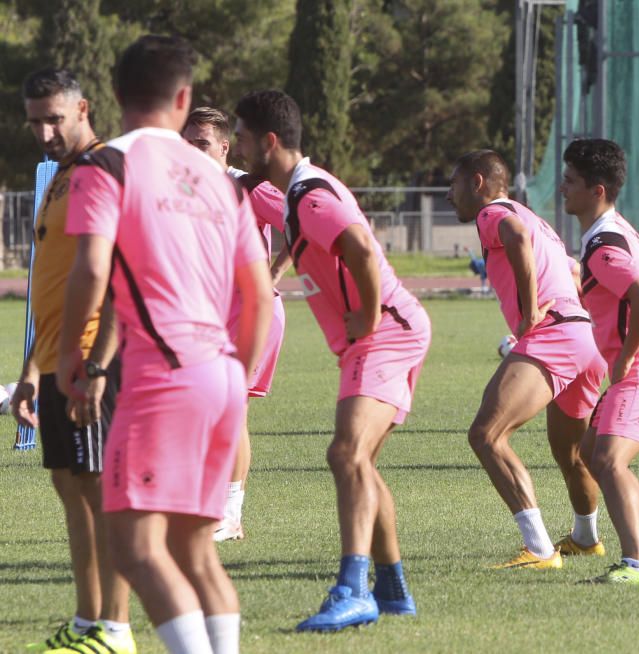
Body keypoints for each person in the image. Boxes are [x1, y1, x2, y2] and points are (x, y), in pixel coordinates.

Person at [57, 35, 273, 653]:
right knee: (193, 550)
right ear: (183, 99)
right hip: (223, 373)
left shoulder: (107, 165)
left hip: (161, 376)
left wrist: (73, 356)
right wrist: (236, 373)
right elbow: (257, 296)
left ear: (116, 97)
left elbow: (91, 270)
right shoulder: (220, 182)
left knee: (135, 547)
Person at [233, 89, 432, 632]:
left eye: (244, 137)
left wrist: (367, 320)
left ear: (269, 141)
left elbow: (363, 250)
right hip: (385, 335)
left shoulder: (311, 195)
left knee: (345, 454)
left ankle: (352, 589)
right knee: (360, 463)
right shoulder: (297, 193)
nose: (238, 146)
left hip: (384, 334)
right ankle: (391, 591)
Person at [15, 68, 135, 654]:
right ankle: (88, 622)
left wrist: (97, 365)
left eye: (53, 118)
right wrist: (32, 371)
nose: (43, 131)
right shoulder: (62, 176)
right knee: (70, 487)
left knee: (99, 491)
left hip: (92, 362)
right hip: (57, 363)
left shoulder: (104, 168)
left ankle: (116, 628)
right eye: (34, 119)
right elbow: (52, 280)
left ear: (83, 109)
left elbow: (118, 272)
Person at [448, 149, 607, 570]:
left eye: (454, 184)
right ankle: (586, 538)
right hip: (583, 336)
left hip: (553, 332)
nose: (450, 194)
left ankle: (538, 549)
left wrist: (530, 309)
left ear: (477, 183)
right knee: (570, 455)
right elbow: (574, 272)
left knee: (486, 435)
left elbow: (515, 236)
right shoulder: (536, 218)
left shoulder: (493, 215)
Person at [561, 138, 639, 584]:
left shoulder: (604, 245)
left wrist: (629, 353)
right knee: (594, 454)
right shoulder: (614, 230)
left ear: (597, 190)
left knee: (609, 461)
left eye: (570, 180)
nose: (562, 187)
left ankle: (636, 566)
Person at [181, 106, 292, 542]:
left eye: (202, 143)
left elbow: (302, 223)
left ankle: (230, 513)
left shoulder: (248, 186)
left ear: (224, 147)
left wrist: (274, 274)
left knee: (230, 411)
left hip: (252, 315)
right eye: (186, 142)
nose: (192, 151)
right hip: (207, 321)